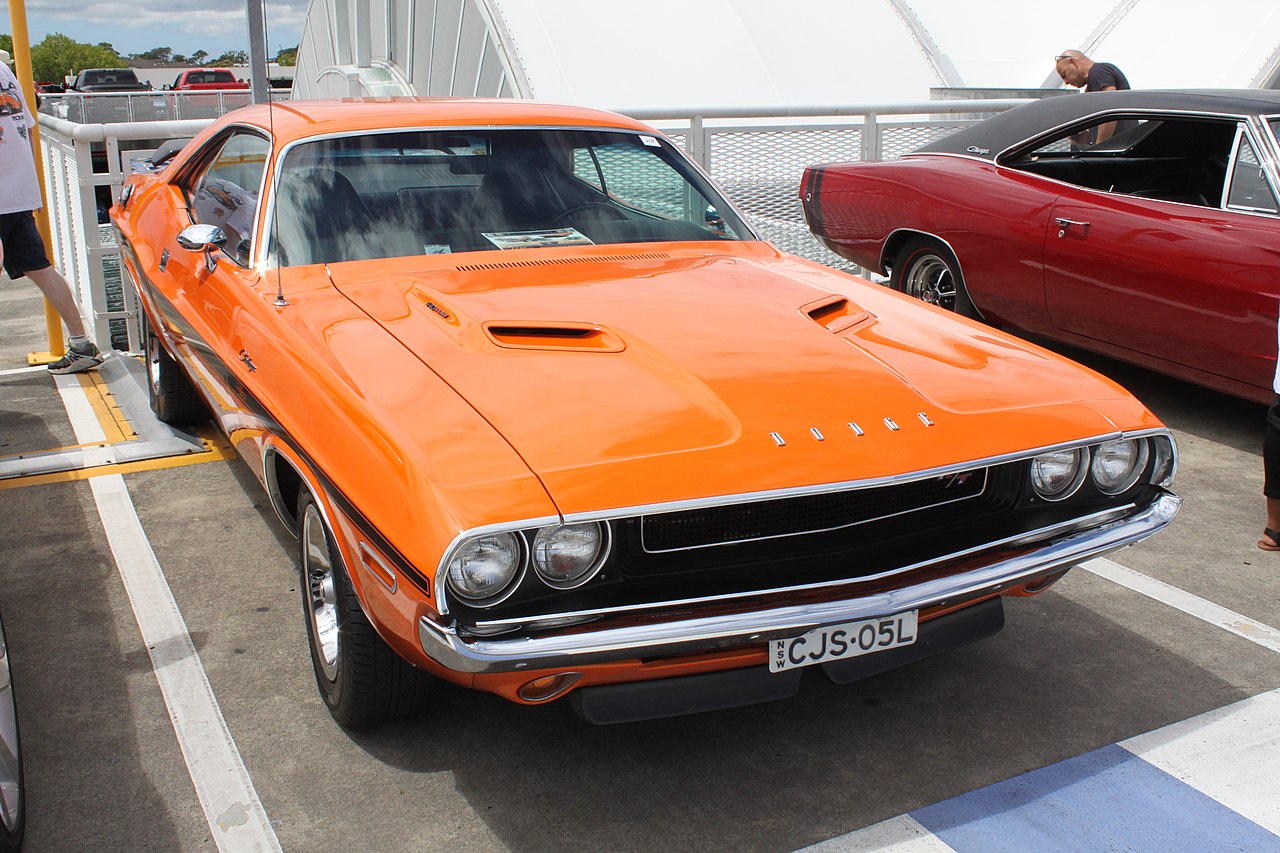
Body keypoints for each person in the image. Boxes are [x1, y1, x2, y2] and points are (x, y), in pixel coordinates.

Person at [0, 51, 103, 374]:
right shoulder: (3, 69)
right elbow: (30, 121)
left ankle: (82, 346)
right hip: (18, 189)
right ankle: (82, 345)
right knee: (39, 267)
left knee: (39, 267)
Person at [1054, 50, 1132, 145]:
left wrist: (1099, 148)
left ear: (1073, 62)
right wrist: (1088, 138)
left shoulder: (1099, 72)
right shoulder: (1094, 80)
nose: (1066, 81)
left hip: (1119, 148)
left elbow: (1109, 111)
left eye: (1064, 74)